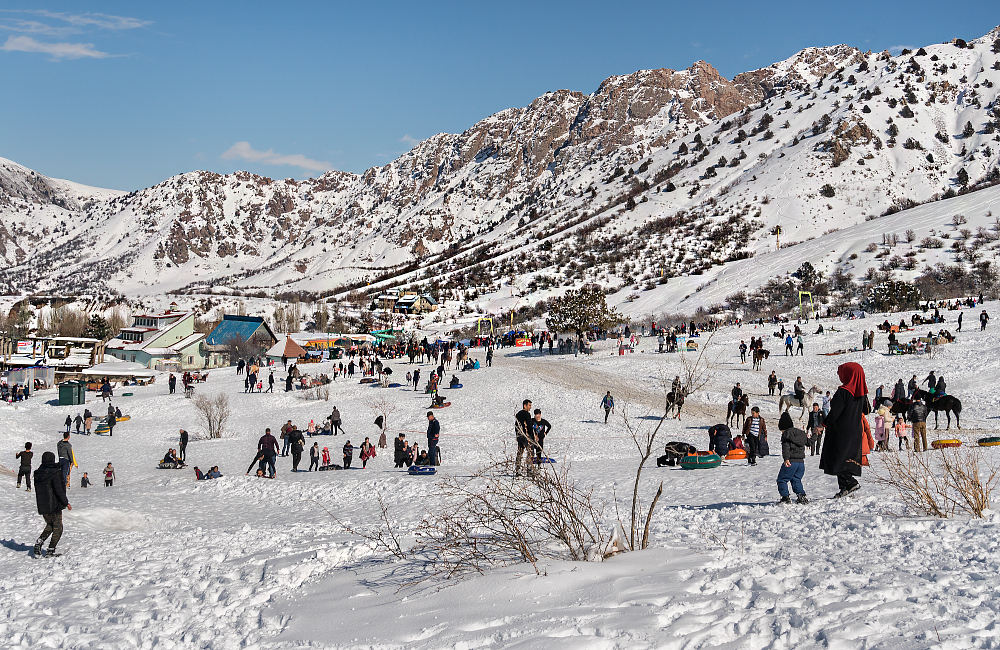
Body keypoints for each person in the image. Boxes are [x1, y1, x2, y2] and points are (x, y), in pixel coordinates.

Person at [820, 362, 873, 498]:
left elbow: (835, 413)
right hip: (855, 431)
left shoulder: (843, 391)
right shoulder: (860, 393)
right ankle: (845, 487)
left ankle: (850, 483)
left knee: (838, 457)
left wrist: (823, 424)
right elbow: (867, 410)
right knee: (847, 458)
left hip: (841, 431)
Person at [32, 451, 71, 557]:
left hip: (43, 506)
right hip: (54, 505)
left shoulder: (38, 473)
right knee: (58, 528)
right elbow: (58, 489)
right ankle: (50, 550)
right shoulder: (55, 472)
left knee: (50, 525)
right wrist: (66, 502)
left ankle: (39, 541)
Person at [776, 412, 808, 504]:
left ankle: (785, 498)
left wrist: (786, 459)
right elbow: (809, 442)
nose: (781, 432)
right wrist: (815, 434)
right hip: (801, 463)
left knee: (782, 479)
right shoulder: (800, 434)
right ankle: (801, 496)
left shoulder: (786, 435)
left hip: (791, 462)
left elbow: (786, 448)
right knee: (796, 479)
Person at [515, 399, 534, 475]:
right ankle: (529, 469)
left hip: (519, 435)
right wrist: (531, 437)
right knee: (530, 450)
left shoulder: (518, 414)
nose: (530, 407)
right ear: (524, 405)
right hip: (525, 435)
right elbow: (529, 426)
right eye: (529, 405)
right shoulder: (527, 414)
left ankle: (517, 469)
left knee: (520, 451)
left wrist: (517, 435)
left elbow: (516, 425)